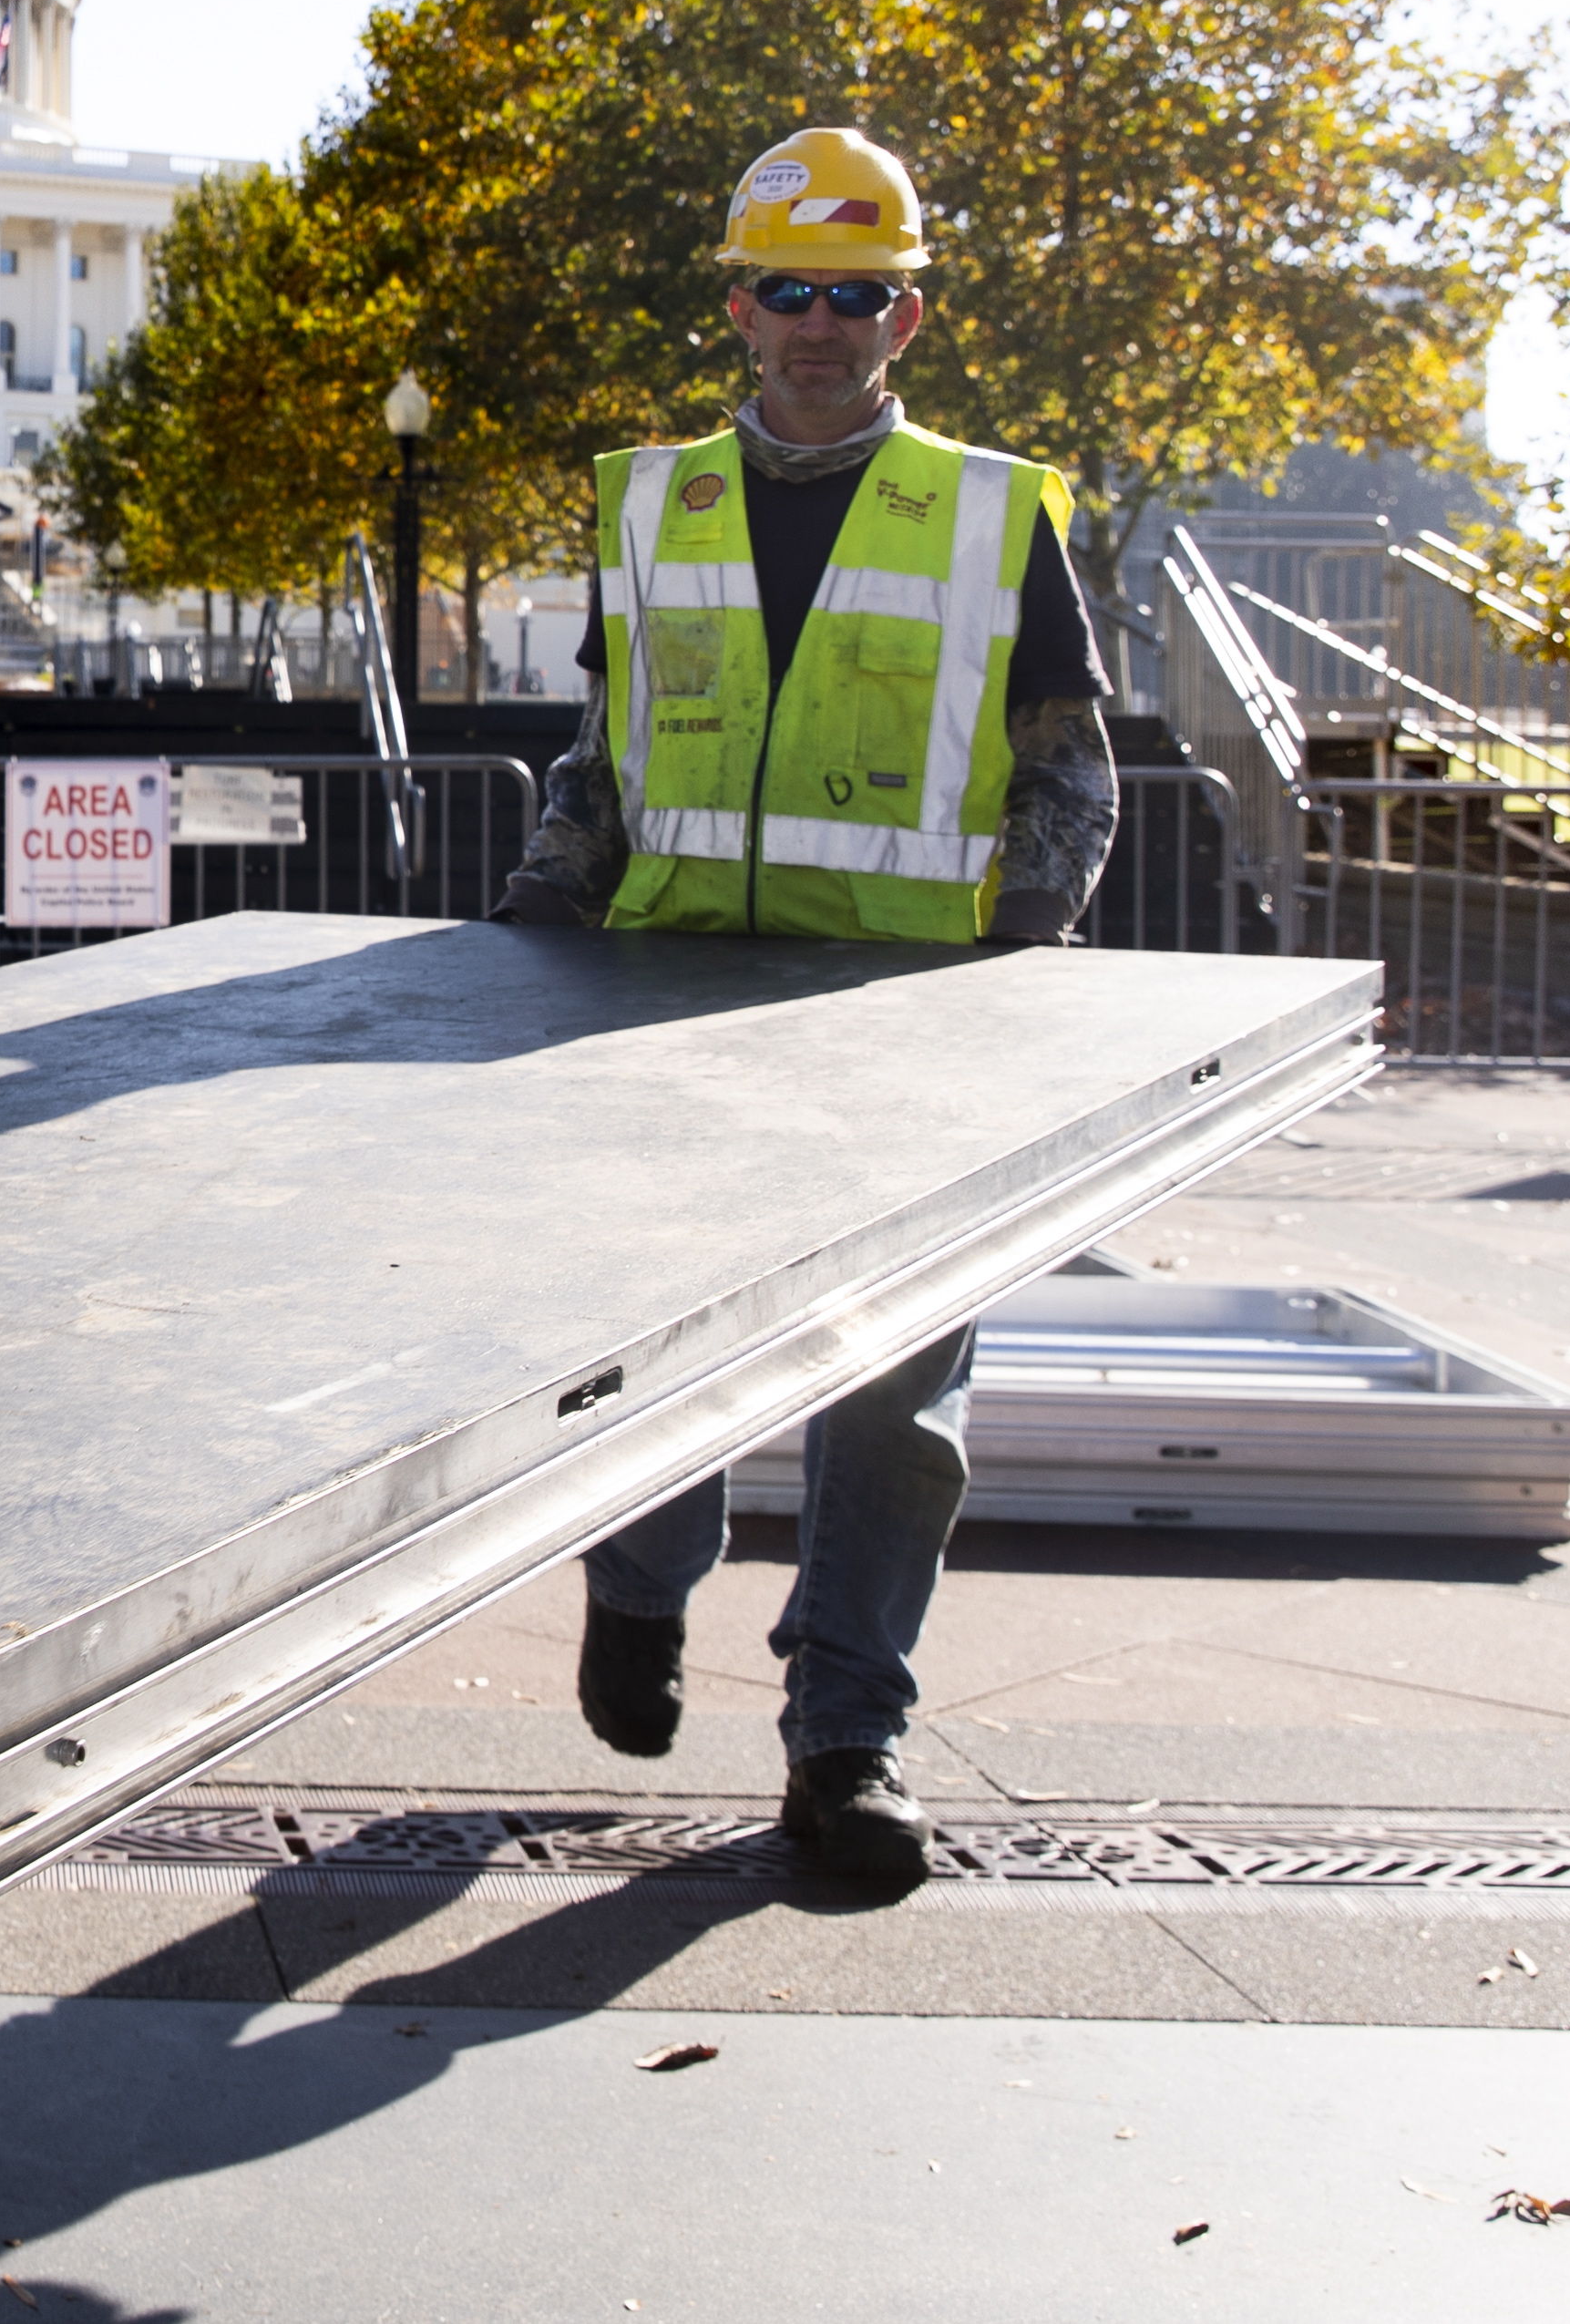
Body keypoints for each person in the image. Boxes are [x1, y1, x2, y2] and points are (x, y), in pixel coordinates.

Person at [498, 126, 1120, 1896]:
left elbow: (1069, 775)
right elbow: (606, 756)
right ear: (737, 306)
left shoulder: (996, 512)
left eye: (855, 295)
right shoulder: (649, 501)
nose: (819, 324)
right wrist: (536, 915)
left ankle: (847, 1742)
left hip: (904, 1020)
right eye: (789, 291)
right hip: (665, 1009)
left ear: (904, 315)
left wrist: (1012, 967)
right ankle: (637, 1581)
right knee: (657, 1348)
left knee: (892, 1403)